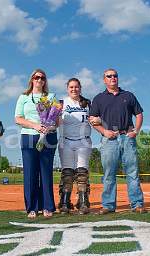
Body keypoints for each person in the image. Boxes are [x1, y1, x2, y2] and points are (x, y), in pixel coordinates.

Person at [89, 68, 145, 214]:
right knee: (109, 173)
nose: (113, 78)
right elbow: (92, 120)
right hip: (109, 140)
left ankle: (137, 204)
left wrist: (136, 131)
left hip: (127, 137)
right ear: (104, 79)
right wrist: (104, 131)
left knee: (132, 172)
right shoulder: (99, 98)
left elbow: (139, 114)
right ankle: (108, 205)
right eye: (109, 76)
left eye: (115, 76)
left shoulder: (128, 95)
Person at [15, 69, 57, 219]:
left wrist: (48, 127)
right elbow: (18, 119)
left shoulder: (51, 97)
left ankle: (47, 206)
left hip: (48, 138)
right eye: (36, 77)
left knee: (46, 173)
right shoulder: (24, 97)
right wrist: (35, 126)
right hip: (29, 137)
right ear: (32, 80)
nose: (39, 80)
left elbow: (56, 121)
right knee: (30, 173)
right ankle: (32, 207)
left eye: (42, 78)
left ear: (45, 81)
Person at [58, 78, 92, 215]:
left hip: (83, 141)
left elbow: (95, 119)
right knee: (67, 173)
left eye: (76, 87)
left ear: (80, 88)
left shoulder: (87, 103)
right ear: (67, 88)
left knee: (82, 173)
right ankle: (65, 201)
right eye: (71, 87)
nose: (74, 89)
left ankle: (83, 202)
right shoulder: (61, 103)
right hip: (66, 140)